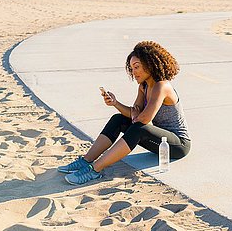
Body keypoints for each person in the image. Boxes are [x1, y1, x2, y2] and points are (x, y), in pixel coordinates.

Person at [58, 41, 191, 185]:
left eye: (137, 67)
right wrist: (115, 103)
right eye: (132, 68)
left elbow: (144, 118)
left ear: (150, 64)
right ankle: (86, 161)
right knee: (118, 119)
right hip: (158, 141)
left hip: (178, 145)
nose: (134, 72)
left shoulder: (162, 86)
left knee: (140, 128)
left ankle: (94, 170)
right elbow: (133, 113)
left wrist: (136, 116)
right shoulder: (143, 87)